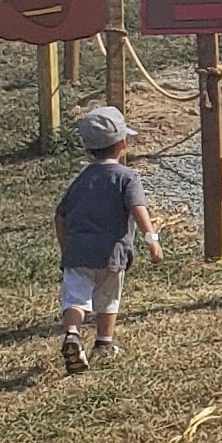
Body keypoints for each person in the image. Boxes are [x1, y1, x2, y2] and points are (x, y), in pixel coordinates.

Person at [55, 103, 163, 373]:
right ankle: (104, 341)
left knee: (75, 300)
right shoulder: (127, 177)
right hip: (111, 253)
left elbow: (60, 215)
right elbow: (138, 208)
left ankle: (72, 333)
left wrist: (66, 248)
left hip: (78, 253)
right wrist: (152, 239)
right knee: (108, 297)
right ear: (122, 144)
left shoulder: (81, 180)